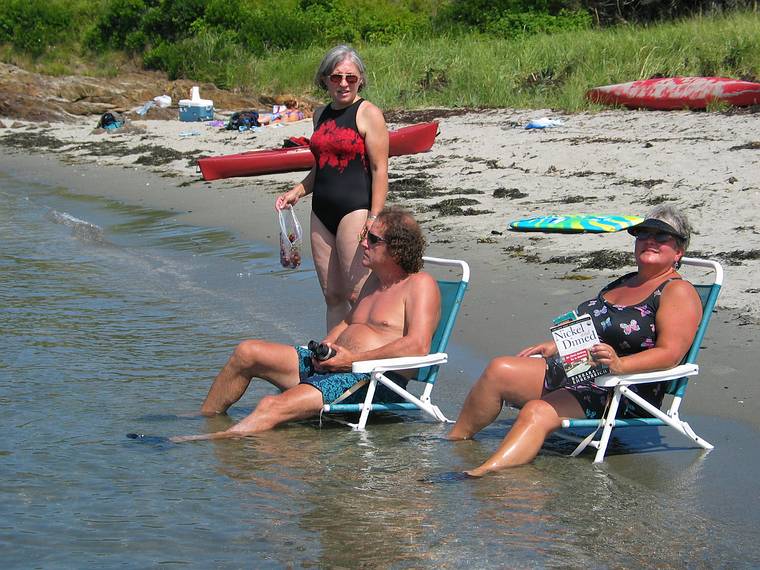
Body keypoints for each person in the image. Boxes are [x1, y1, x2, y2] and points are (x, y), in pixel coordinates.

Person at [448, 205, 703, 476]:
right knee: (499, 370)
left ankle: (487, 474)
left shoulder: (677, 291)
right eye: (643, 234)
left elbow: (670, 354)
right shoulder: (626, 282)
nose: (650, 240)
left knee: (537, 411)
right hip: (582, 369)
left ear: (679, 251)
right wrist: (558, 345)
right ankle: (454, 444)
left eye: (662, 237)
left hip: (622, 388)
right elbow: (595, 328)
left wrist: (619, 365)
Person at [173, 208, 439, 442]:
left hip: (372, 380)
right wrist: (327, 346)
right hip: (336, 367)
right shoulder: (374, 280)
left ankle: (213, 439)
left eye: (371, 239)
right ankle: (206, 417)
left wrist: (353, 360)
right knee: (247, 352)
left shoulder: (419, 285)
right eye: (364, 236)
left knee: (270, 406)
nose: (363, 243)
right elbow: (348, 321)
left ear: (396, 248)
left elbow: (418, 345)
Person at [276, 45, 389, 331]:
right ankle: (333, 361)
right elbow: (321, 165)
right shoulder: (320, 115)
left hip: (356, 209)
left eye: (350, 78)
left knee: (358, 293)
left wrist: (374, 218)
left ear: (360, 79)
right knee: (333, 295)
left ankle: (366, 354)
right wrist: (297, 192)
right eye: (336, 77)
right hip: (321, 212)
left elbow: (380, 170)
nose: (343, 84)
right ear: (324, 79)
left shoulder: (368, 113)